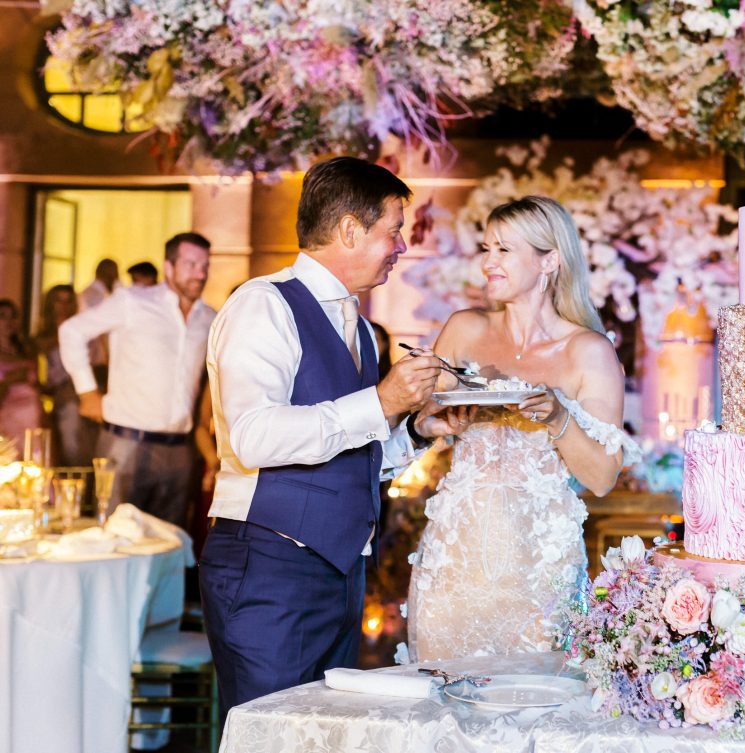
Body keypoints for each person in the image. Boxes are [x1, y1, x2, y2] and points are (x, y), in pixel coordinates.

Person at [199, 156, 460, 725]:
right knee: (269, 734)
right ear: (349, 229)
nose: (401, 246)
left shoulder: (360, 328)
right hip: (270, 567)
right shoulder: (264, 304)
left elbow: (350, 455)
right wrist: (382, 402)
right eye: (393, 230)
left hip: (338, 574)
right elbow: (253, 437)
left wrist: (418, 430)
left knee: (319, 736)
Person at [406, 195, 640, 662]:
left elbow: (601, 477)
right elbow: (421, 420)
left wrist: (558, 418)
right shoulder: (464, 329)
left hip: (541, 569)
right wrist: (431, 421)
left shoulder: (588, 351)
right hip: (455, 561)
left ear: (549, 260)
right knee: (442, 694)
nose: (488, 263)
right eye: (486, 248)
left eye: (504, 250)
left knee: (535, 697)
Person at [59, 233, 216, 527]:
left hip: (179, 449)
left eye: (205, 265)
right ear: (168, 267)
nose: (200, 273)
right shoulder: (132, 301)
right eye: (191, 264)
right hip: (126, 442)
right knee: (115, 539)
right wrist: (87, 392)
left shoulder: (209, 318)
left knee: (170, 543)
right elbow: (72, 332)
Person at [35, 285, 95, 466]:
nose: (63, 306)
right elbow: (41, 378)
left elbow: (97, 364)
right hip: (56, 394)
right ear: (50, 304)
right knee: (70, 409)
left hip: (82, 391)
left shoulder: (84, 333)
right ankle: (75, 467)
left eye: (68, 301)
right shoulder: (41, 338)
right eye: (59, 301)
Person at [0, 299, 42, 447]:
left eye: (13, 316)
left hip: (32, 412)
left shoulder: (26, 349)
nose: (9, 321)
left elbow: (38, 383)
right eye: (2, 316)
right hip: (7, 411)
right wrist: (9, 380)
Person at [80, 258, 119, 391]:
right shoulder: (94, 295)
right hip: (97, 356)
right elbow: (101, 330)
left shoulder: (94, 293)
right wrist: (107, 356)